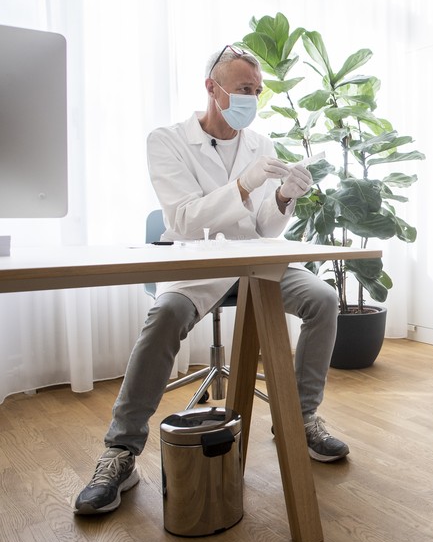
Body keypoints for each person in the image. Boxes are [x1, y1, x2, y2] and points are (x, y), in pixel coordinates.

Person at [74, 45, 348, 515]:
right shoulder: (167, 140)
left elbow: (263, 228)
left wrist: (282, 196)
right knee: (165, 315)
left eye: (257, 91)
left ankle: (299, 421)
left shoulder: (261, 144)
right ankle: (121, 452)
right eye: (244, 89)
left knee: (322, 297)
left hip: (253, 260)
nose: (253, 99)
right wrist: (242, 185)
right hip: (196, 263)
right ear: (212, 88)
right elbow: (182, 217)